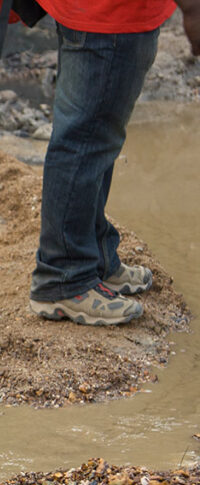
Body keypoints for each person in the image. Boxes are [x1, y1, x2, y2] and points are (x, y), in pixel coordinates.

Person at [28, 0, 200, 325]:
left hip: (102, 12)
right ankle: (64, 277)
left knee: (98, 138)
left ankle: (94, 258)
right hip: (108, 14)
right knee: (84, 140)